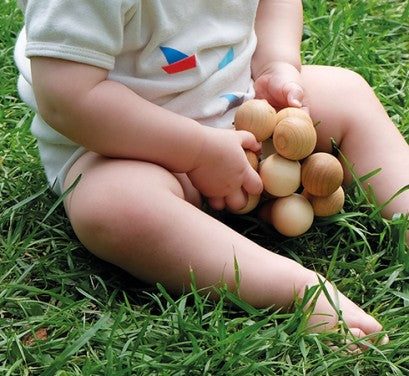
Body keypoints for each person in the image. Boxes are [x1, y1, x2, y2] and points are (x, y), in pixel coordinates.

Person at [15, 0, 408, 344]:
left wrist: (276, 63)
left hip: (245, 106)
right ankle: (295, 288)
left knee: (347, 93)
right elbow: (69, 99)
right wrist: (198, 152)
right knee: (112, 206)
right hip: (125, 147)